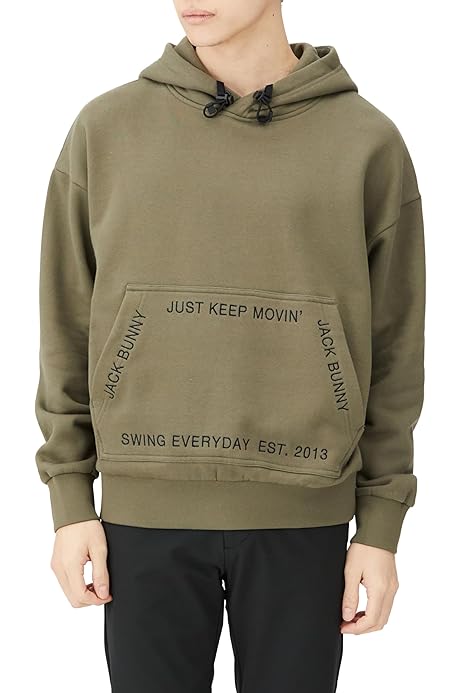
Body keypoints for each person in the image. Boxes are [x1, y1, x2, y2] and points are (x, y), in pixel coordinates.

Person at [34, 1, 426, 691]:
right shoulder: (106, 129)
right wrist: (70, 500)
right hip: (142, 513)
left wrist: (380, 523)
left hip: (304, 512)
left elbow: (395, 347)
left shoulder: (367, 142)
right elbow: (65, 324)